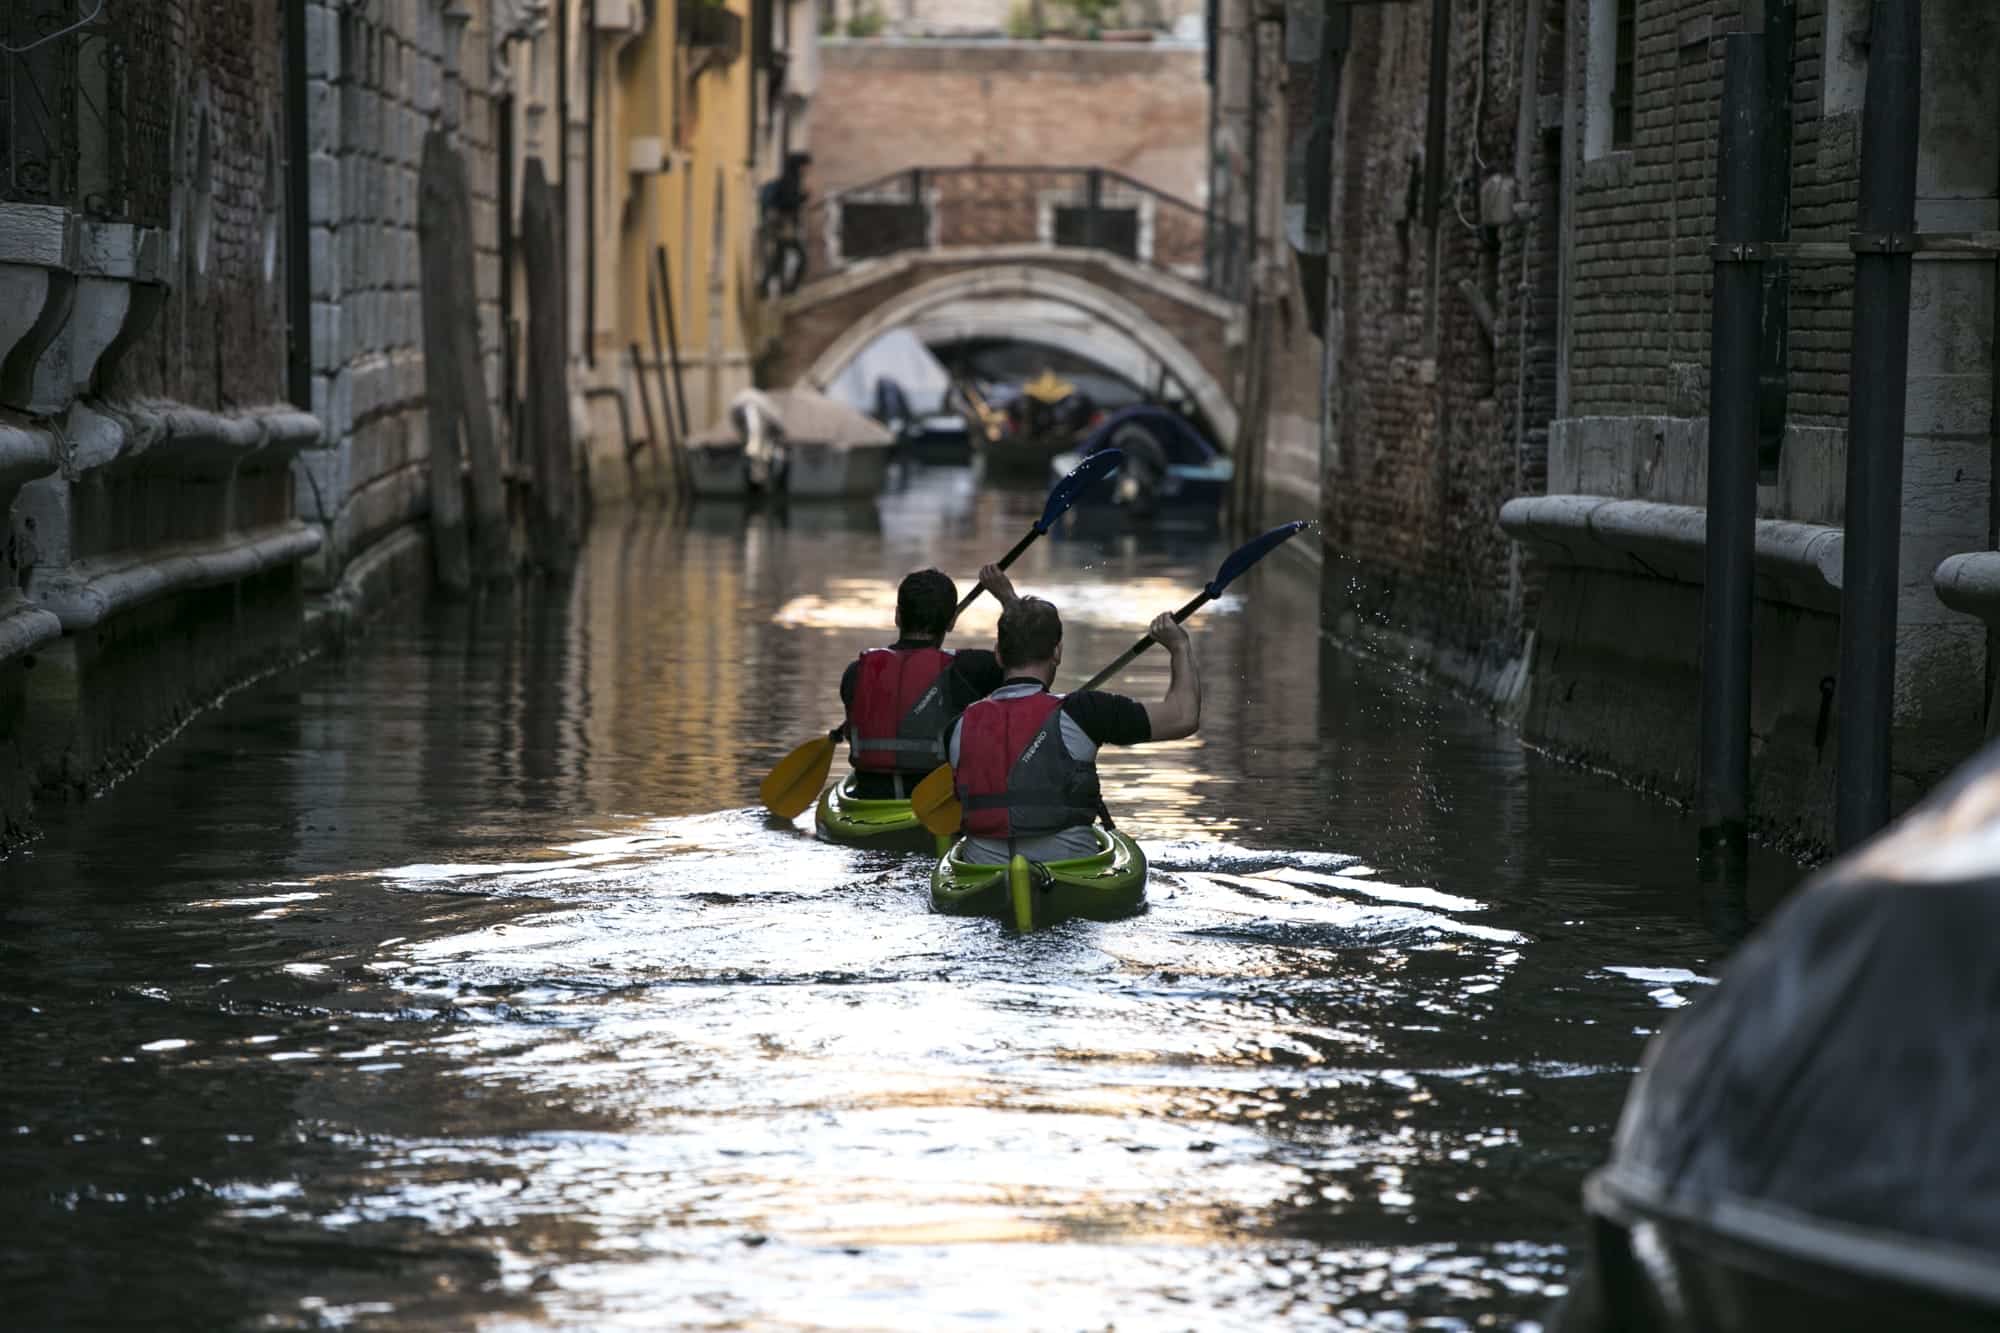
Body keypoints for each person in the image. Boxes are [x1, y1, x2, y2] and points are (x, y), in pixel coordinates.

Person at [947, 596, 1199, 865]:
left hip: (982, 867)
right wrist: (1179, 647)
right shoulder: (1083, 711)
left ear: (998, 653)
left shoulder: (959, 725)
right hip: (1069, 864)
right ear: (1057, 652)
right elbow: (1183, 717)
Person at [840, 564, 1022, 799]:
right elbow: (1024, 659)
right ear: (951, 623)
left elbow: (853, 730)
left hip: (870, 796)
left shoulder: (855, 673)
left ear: (897, 615)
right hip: (938, 802)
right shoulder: (972, 669)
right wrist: (1008, 599)